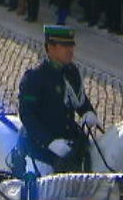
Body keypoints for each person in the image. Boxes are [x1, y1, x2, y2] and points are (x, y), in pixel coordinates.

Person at [17, 25, 98, 174]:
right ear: (50, 47)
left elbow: (77, 97)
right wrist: (50, 142)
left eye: (71, 46)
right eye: (64, 47)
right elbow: (27, 114)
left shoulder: (71, 71)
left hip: (69, 140)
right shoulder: (35, 78)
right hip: (41, 148)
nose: (70, 51)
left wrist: (87, 111)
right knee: (41, 190)